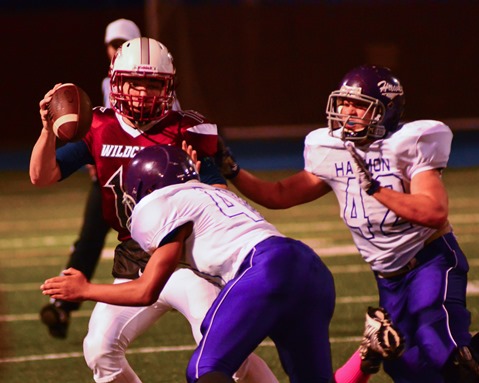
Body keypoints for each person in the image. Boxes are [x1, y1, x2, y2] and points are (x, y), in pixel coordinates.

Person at [31, 37, 278, 383]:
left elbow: (221, 195)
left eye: (152, 84)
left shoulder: (186, 129)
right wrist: (46, 130)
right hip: (134, 258)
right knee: (99, 349)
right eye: (134, 82)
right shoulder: (99, 127)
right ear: (117, 82)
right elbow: (42, 177)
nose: (142, 93)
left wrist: (198, 180)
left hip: (186, 261)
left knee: (226, 351)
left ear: (168, 87)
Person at [217, 65, 479, 382]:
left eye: (359, 105)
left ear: (386, 111)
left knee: (444, 353)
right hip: (388, 278)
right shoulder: (331, 148)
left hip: (429, 262)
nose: (347, 112)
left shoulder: (410, 143)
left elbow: (434, 211)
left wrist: (376, 190)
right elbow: (280, 194)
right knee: (405, 367)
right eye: (344, 103)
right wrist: (232, 171)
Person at [41, 144, 337, 383]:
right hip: (311, 269)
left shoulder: (162, 203)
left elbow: (146, 291)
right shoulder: (212, 192)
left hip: (264, 267)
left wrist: (85, 289)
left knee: (205, 369)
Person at [39, 18, 142, 339]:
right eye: (111, 45)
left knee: (162, 246)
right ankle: (63, 304)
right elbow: (44, 174)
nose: (114, 51)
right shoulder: (104, 85)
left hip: (147, 183)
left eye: (122, 44)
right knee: (88, 240)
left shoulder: (154, 89)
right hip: (109, 179)